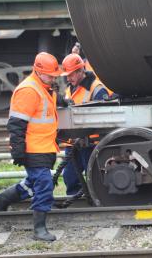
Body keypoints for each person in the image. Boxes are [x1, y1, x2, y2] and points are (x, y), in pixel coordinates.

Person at [0, 52, 62, 242]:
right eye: (50, 75)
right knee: (44, 185)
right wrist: (18, 150)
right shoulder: (29, 91)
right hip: (33, 148)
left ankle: (2, 199)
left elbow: (47, 110)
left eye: (55, 75)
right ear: (38, 71)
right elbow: (16, 124)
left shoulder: (45, 87)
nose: (54, 77)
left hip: (45, 146)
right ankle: (39, 229)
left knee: (33, 182)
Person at [60, 53, 110, 195]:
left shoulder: (96, 88)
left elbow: (104, 119)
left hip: (91, 144)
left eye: (71, 74)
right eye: (67, 75)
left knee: (95, 178)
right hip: (73, 143)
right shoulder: (70, 89)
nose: (68, 78)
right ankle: (76, 201)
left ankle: (97, 200)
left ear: (81, 71)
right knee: (69, 177)